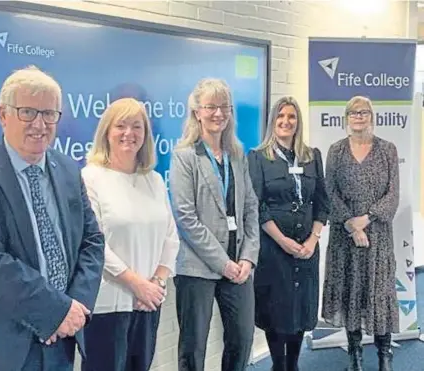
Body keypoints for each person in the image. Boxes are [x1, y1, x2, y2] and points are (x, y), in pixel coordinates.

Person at [0, 66, 105, 371]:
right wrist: (55, 311)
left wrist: (75, 308)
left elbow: (92, 241)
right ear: (3, 115)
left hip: (59, 342)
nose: (40, 124)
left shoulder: (69, 170)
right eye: (28, 112)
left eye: (49, 114)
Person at [81, 97, 180, 371]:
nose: (129, 133)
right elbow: (94, 244)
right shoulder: (91, 178)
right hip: (108, 304)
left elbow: (170, 237)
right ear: (107, 133)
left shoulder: (154, 180)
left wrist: (156, 284)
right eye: (121, 125)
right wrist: (137, 284)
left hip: (148, 302)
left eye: (137, 126)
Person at [169, 78, 259, 371]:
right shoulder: (184, 157)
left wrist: (247, 257)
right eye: (211, 107)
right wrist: (223, 263)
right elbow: (185, 217)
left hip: (239, 265)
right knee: (193, 347)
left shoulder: (236, 155)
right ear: (197, 112)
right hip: (198, 267)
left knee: (242, 339)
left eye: (224, 107)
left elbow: (250, 208)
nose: (218, 113)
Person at [247, 96, 330, 371]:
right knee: (276, 309)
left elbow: (322, 202)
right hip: (274, 249)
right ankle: (278, 365)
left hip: (307, 248)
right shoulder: (258, 157)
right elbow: (256, 206)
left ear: (298, 122)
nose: (286, 121)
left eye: (291, 116)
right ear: (273, 121)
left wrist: (313, 239)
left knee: (300, 308)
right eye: (281, 116)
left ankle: (293, 365)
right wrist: (283, 241)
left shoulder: (311, 156)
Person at [322, 96, 399, 371]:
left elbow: (393, 195)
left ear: (371, 116)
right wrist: (351, 226)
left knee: (379, 293)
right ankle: (354, 356)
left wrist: (364, 221)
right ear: (346, 117)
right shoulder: (336, 151)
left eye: (364, 112)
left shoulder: (387, 149)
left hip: (378, 236)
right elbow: (330, 191)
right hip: (345, 238)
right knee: (350, 291)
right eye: (353, 112)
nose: (359, 116)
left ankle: (384, 356)